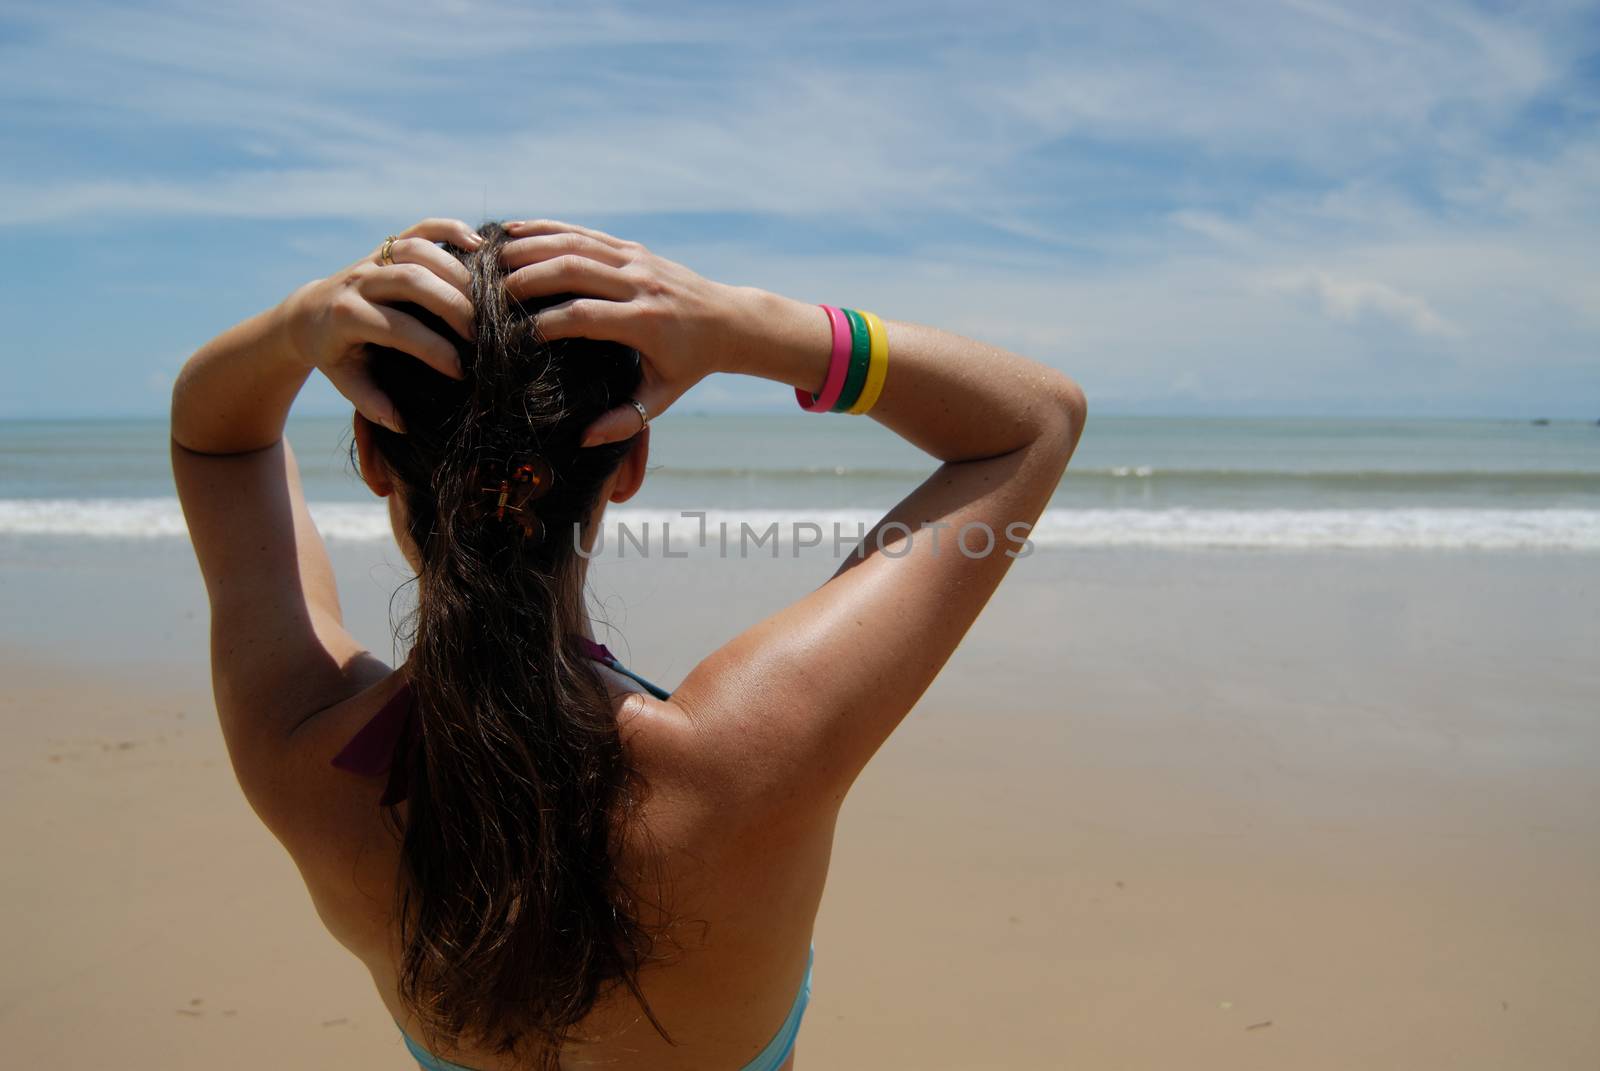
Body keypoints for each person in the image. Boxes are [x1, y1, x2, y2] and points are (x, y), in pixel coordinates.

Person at [170, 216, 1086, 1070]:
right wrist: (743, 324)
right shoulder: (750, 754)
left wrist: (296, 328)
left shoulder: (306, 753)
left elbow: (215, 442)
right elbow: (1035, 418)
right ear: (632, 463)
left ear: (373, 458)